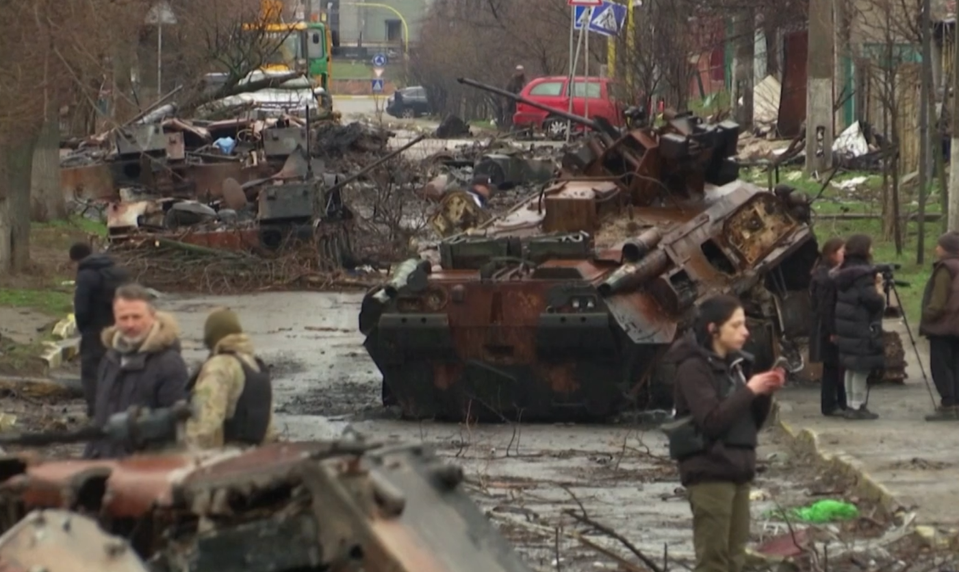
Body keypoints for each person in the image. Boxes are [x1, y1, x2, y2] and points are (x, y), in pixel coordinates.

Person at [666, 295, 785, 572]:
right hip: (710, 472)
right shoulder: (692, 368)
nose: (745, 332)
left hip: (738, 470)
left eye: (744, 324)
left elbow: (749, 424)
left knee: (736, 560)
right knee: (714, 562)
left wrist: (763, 393)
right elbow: (711, 421)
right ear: (713, 329)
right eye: (736, 325)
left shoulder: (737, 365)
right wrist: (750, 390)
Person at [85, 283, 189, 459]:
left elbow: (177, 425)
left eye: (136, 317)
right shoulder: (110, 358)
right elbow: (100, 416)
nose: (130, 324)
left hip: (143, 469)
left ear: (152, 316)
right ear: (115, 319)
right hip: (104, 461)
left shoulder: (169, 364)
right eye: (124, 318)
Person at [185, 308, 276, 449]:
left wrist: (187, 456)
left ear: (211, 337)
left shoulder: (219, 366)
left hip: (224, 458)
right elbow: (269, 426)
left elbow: (205, 423)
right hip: (256, 456)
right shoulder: (254, 364)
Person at [69, 242, 130, 416]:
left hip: (94, 331)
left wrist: (84, 329)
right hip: (118, 330)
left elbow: (81, 309)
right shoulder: (116, 271)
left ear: (75, 260)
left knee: (92, 372)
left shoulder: (86, 275)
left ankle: (96, 411)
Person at [833, 234, 885, 421]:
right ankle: (857, 406)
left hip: (846, 326)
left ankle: (849, 405)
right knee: (861, 367)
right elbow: (872, 301)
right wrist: (879, 288)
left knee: (850, 366)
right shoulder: (863, 274)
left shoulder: (843, 271)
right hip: (860, 324)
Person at [919, 232, 959, 421]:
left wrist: (928, 315)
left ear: (948, 248)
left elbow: (938, 300)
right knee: (956, 365)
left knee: (941, 366)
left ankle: (947, 404)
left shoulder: (946, 268)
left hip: (943, 325)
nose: (936, 248)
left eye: (939, 245)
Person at [809, 237, 847, 417]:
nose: (844, 255)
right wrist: (832, 330)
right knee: (832, 366)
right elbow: (825, 307)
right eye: (841, 251)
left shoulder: (828, 273)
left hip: (828, 326)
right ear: (832, 254)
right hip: (827, 328)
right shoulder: (825, 277)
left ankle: (839, 401)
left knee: (836, 366)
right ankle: (830, 404)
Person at [502, 64, 526, 129]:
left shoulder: (524, 81)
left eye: (520, 71)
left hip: (522, 102)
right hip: (513, 102)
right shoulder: (512, 81)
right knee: (512, 116)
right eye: (518, 71)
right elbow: (508, 90)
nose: (519, 72)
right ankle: (512, 128)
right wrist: (508, 101)